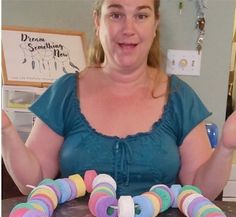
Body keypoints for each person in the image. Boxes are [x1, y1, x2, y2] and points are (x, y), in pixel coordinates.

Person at [2, 0, 236, 200]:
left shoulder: (180, 97)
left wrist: (225, 148)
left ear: (155, 25)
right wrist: (6, 131)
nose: (128, 28)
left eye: (141, 15)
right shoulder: (65, 92)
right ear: (97, 21)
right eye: (116, 14)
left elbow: (200, 192)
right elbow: (33, 182)